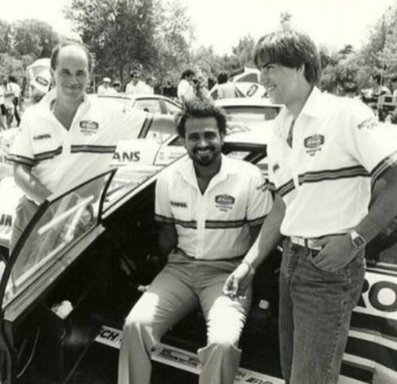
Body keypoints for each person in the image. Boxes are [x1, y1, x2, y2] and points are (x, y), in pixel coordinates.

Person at [223, 29, 397, 384]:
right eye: (260, 68)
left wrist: (353, 241)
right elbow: (282, 207)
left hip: (330, 269)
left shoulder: (345, 114)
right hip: (291, 262)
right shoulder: (279, 129)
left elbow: (394, 181)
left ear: (302, 66)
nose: (262, 77)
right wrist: (249, 263)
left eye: (270, 67)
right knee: (293, 375)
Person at [118, 99, 273, 384]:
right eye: (194, 137)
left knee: (223, 344)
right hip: (180, 268)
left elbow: (261, 236)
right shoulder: (167, 179)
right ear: (183, 141)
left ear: (222, 136)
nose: (203, 143)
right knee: (135, 325)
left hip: (228, 273)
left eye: (209, 135)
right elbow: (166, 236)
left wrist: (253, 281)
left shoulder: (249, 176)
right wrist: (157, 277)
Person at [7, 41, 176, 253]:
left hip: (78, 223)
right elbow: (20, 172)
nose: (73, 80)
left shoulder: (108, 113)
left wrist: (208, 127)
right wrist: (57, 208)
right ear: (52, 72)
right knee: (18, 287)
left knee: (68, 286)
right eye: (65, 72)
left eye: (80, 73)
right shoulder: (33, 115)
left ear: (90, 75)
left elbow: (159, 122)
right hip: (33, 216)